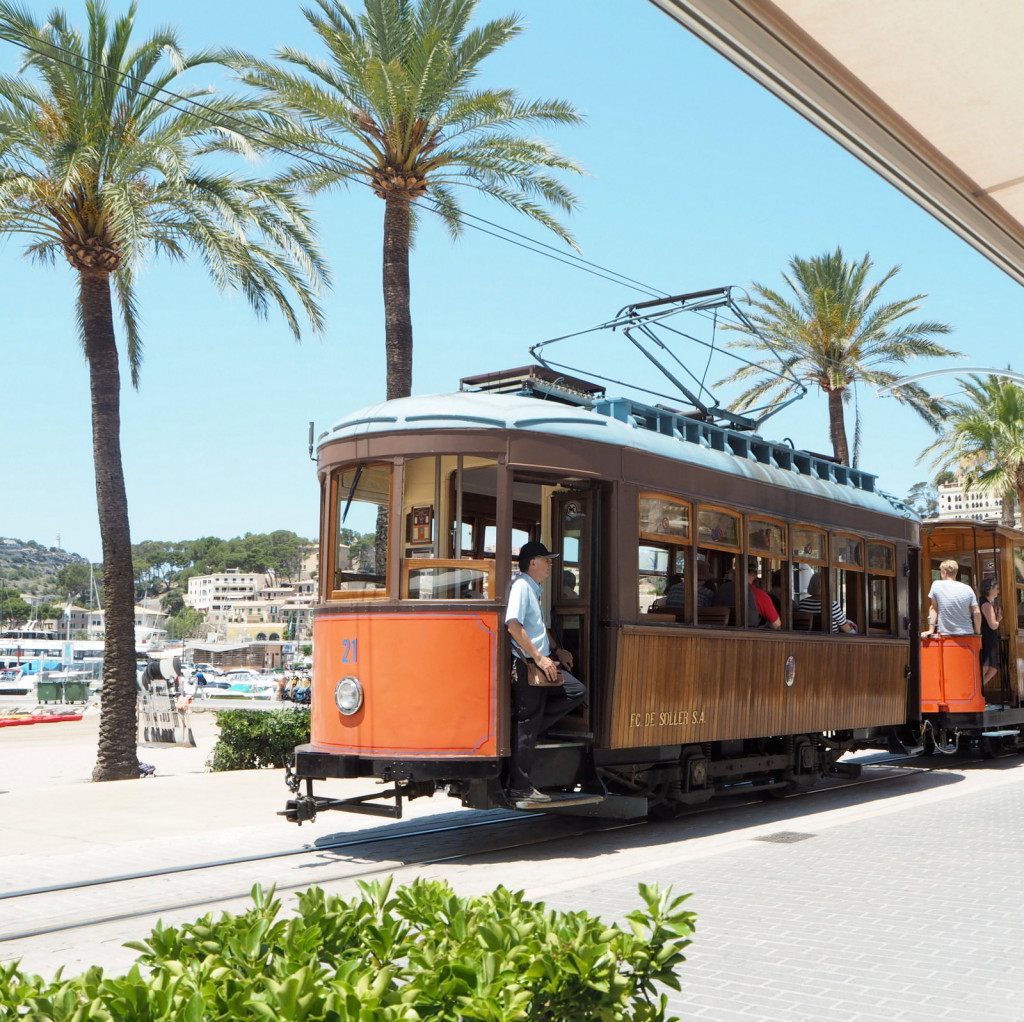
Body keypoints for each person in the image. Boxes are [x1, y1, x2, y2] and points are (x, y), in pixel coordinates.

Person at [505, 541, 587, 806]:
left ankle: (527, 736)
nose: (551, 564)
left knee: (574, 691)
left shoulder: (533, 588)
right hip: (530, 665)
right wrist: (540, 658)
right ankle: (520, 787)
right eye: (546, 560)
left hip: (540, 663)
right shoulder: (521, 586)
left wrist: (557, 650)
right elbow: (513, 626)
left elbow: (538, 628)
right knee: (527, 723)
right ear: (533, 563)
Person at [714, 560, 780, 628]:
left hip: (717, 631)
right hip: (749, 633)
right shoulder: (759, 595)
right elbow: (776, 625)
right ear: (754, 575)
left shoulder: (721, 589)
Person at [924, 559, 980, 637]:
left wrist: (931, 630)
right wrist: (978, 632)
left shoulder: (937, 585)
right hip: (967, 633)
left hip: (946, 634)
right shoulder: (968, 588)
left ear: (944, 572)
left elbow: (934, 608)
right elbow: (976, 611)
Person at [979, 579, 1002, 688]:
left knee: (991, 668)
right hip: (987, 638)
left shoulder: (981, 602)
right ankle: (977, 690)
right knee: (987, 667)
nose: (998, 591)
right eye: (996, 588)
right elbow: (993, 625)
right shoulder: (987, 605)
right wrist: (998, 619)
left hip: (986, 637)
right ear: (989, 589)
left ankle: (978, 689)